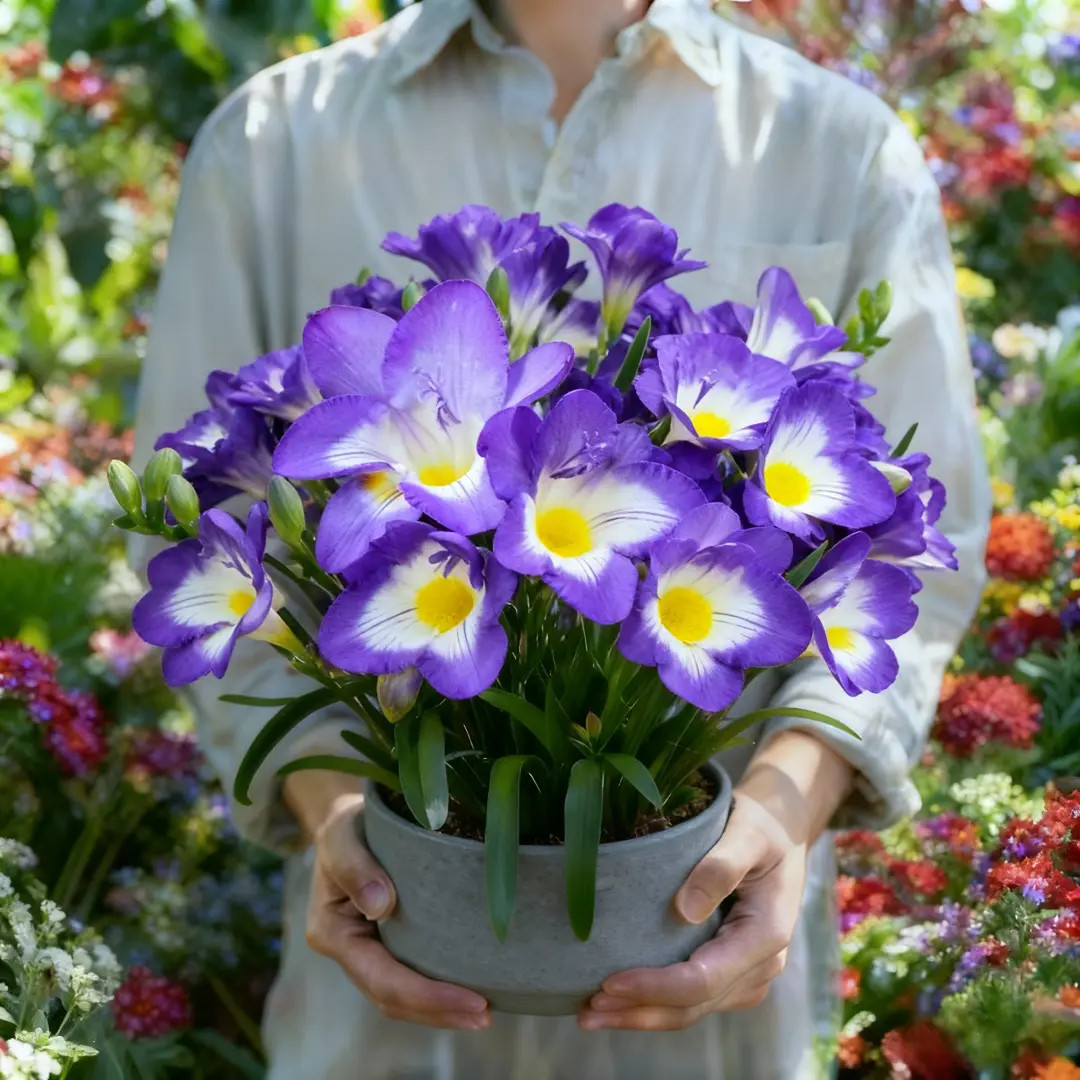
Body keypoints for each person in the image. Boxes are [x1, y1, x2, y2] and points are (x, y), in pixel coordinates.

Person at [133, 1, 990, 1076]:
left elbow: (929, 528)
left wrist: (787, 805)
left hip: (709, 1004)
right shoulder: (271, 141)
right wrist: (337, 804)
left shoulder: (843, 147)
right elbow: (195, 524)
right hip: (386, 1023)